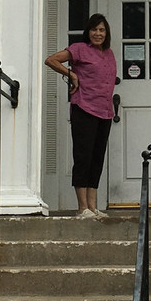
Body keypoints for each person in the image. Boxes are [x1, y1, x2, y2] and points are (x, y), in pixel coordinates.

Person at [44, 13, 117, 218]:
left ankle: (93, 207)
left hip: (105, 111)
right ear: (88, 31)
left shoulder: (109, 53)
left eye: (101, 30)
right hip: (84, 108)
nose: (98, 33)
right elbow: (51, 60)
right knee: (83, 156)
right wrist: (72, 74)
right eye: (94, 29)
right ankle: (82, 207)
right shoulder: (79, 49)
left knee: (97, 158)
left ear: (106, 32)